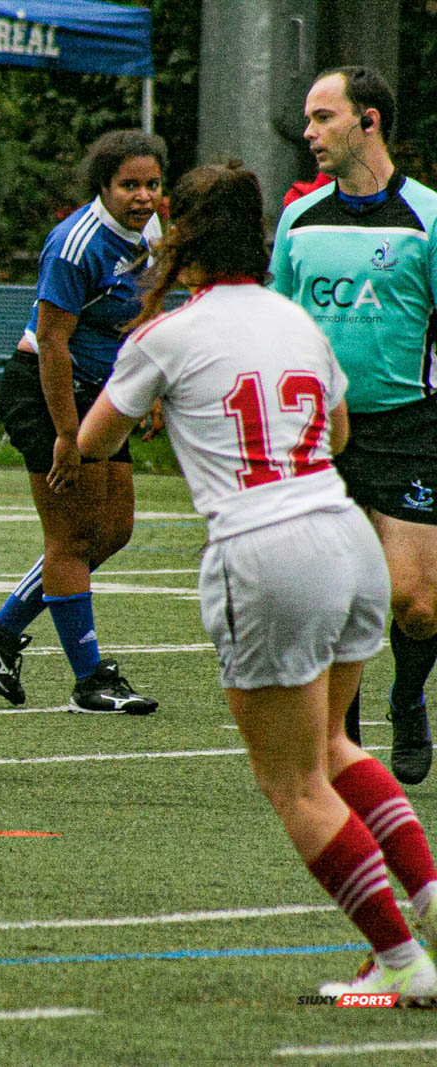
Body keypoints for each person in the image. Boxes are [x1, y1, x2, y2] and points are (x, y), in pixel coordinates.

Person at [79, 161, 437, 1004]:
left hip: (263, 544)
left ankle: (402, 961)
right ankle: (425, 920)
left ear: (182, 235)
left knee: (293, 781)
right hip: (345, 533)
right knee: (334, 748)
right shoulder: (296, 318)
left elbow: (96, 439)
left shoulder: (165, 334)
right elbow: (339, 425)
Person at [0, 130, 166, 716]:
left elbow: (146, 310)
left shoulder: (151, 231)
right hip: (46, 392)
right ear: (103, 186)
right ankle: (89, 681)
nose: (143, 196)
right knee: (70, 539)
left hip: (105, 392)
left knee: (113, 531)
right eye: (129, 185)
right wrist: (65, 436)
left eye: (151, 184)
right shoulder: (75, 245)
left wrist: (146, 389)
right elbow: (51, 341)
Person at [270, 66, 437, 786]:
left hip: (409, 427)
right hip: (319, 434)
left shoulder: (428, 217)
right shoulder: (299, 218)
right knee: (331, 591)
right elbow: (275, 322)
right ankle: (344, 729)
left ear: (369, 121)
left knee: (420, 604)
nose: (309, 133)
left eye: (323, 117)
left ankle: (408, 696)